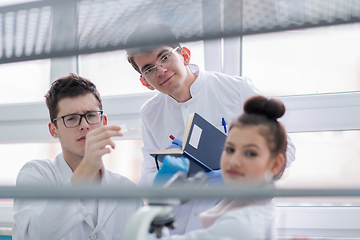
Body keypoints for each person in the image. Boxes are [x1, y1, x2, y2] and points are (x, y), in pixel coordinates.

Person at [125, 23, 296, 234]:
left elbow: (285, 150)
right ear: (145, 83)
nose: (161, 70)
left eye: (165, 57)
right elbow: (148, 177)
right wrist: (164, 181)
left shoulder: (236, 89)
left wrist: (236, 179)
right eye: (149, 69)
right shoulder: (151, 113)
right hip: (181, 228)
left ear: (185, 55)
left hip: (234, 220)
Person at [12, 73, 143, 240]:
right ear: (53, 130)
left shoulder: (127, 190)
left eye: (91, 115)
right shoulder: (36, 175)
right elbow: (33, 235)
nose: (85, 125)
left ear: (103, 122)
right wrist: (86, 169)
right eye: (72, 118)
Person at [147, 95, 287, 240]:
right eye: (230, 149)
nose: (234, 161)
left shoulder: (239, 225)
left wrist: (158, 204)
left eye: (250, 153)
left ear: (276, 164)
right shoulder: (245, 204)